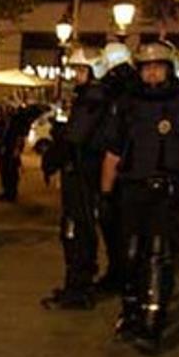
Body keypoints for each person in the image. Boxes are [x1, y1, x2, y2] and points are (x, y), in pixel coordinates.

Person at [100, 40, 179, 353]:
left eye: (158, 66)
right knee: (128, 255)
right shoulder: (128, 104)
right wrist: (106, 193)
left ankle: (153, 323)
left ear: (169, 68)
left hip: (168, 192)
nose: (152, 73)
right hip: (131, 190)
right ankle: (131, 311)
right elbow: (112, 152)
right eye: (147, 67)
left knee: (158, 257)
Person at [42, 47, 110, 309]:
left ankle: (78, 289)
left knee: (76, 230)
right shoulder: (88, 97)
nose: (76, 75)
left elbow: (75, 137)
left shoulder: (93, 99)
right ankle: (77, 284)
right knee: (76, 229)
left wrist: (54, 153)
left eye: (82, 70)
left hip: (82, 171)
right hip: (81, 169)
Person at [94, 42, 141, 293]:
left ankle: (121, 275)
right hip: (134, 170)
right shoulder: (137, 90)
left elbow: (114, 142)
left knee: (117, 228)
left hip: (124, 172)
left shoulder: (121, 96)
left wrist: (105, 189)